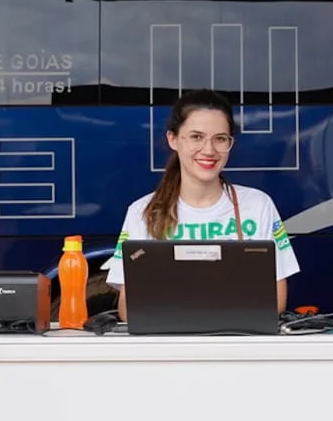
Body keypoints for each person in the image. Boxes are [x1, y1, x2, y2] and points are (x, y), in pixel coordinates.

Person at [106, 89, 298, 318]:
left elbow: (276, 302)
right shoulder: (142, 212)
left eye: (220, 139)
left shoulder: (259, 206)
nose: (209, 150)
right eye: (196, 137)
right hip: (170, 348)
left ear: (231, 143)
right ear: (173, 139)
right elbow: (128, 311)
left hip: (238, 345)